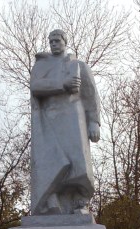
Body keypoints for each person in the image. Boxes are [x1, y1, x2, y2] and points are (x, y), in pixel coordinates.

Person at [29, 29, 100, 216]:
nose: (53, 44)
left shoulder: (78, 65)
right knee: (52, 162)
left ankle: (79, 203)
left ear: (64, 42)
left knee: (78, 162)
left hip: (74, 120)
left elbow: (90, 95)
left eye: (57, 41)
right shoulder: (41, 66)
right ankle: (52, 200)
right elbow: (35, 86)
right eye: (51, 41)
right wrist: (63, 84)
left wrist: (94, 122)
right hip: (49, 121)